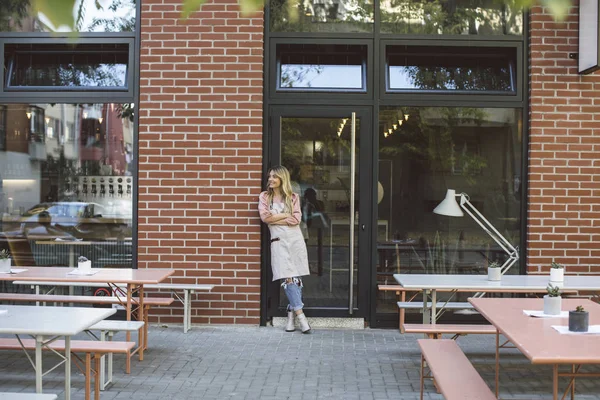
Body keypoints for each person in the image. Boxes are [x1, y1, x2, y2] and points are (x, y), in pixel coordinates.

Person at [258, 165, 311, 333]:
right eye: (269, 177)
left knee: (295, 278)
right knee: (288, 279)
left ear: (282, 178)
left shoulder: (293, 197)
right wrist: (285, 216)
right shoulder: (265, 197)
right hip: (278, 242)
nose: (271, 179)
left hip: (295, 241)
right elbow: (265, 218)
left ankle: (290, 315)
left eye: (274, 177)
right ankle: (301, 317)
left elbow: (296, 219)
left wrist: (276, 218)